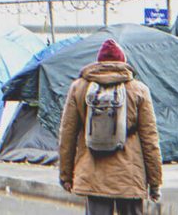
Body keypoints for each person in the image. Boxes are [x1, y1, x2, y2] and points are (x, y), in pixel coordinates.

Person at [59, 39, 163, 215]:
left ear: (99, 62)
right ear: (123, 62)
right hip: (129, 176)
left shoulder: (79, 88)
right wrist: (155, 182)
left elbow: (67, 135)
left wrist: (66, 175)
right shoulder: (138, 90)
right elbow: (150, 139)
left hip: (92, 174)